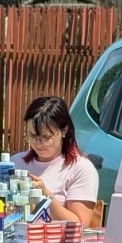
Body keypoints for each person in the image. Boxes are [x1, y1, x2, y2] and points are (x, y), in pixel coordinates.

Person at [20, 95, 99, 224]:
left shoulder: (80, 169)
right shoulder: (15, 164)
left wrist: (46, 196)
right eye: (32, 136)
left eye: (46, 137)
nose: (38, 143)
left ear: (64, 130)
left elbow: (79, 225)